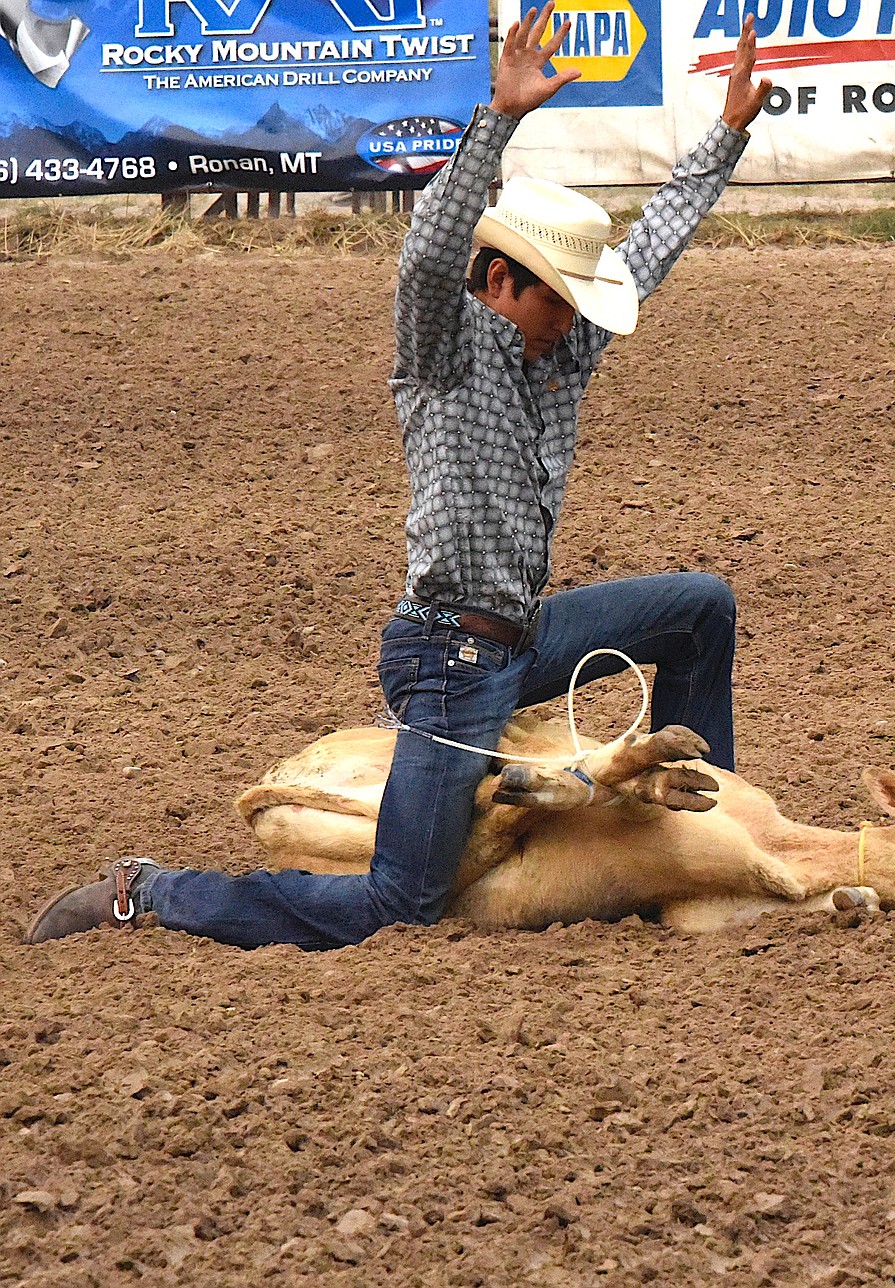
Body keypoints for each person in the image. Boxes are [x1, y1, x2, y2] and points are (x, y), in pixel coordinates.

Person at [26, 4, 773, 949]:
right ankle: (154, 891)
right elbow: (426, 255)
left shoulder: (561, 348)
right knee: (402, 901)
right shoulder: (444, 352)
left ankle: (703, 826)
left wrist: (727, 134)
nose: (573, 320)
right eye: (560, 297)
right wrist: (497, 119)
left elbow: (648, 253)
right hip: (448, 658)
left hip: (519, 634)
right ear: (501, 280)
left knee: (701, 605)